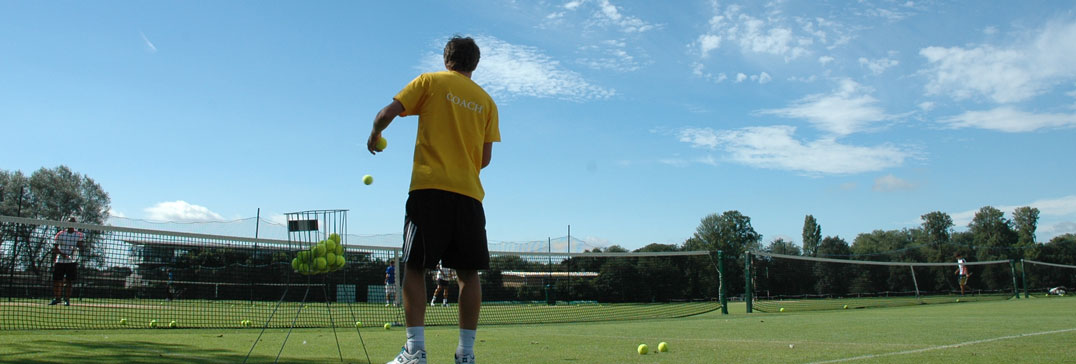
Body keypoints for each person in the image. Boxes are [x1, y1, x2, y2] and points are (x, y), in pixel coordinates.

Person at [368, 35, 499, 364]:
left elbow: (387, 113)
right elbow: (484, 159)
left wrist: (375, 133)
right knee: (469, 275)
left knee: (414, 267)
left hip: (429, 192)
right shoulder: (486, 102)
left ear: (446, 59)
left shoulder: (430, 81)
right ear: (475, 64)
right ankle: (465, 355)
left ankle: (415, 351)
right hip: (469, 196)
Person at [49, 217, 84, 306]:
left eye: (72, 222)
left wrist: (75, 250)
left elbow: (81, 246)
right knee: (57, 280)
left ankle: (67, 299)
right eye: (69, 222)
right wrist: (62, 254)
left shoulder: (79, 235)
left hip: (71, 262)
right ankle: (57, 298)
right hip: (60, 261)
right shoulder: (60, 234)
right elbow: (55, 247)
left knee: (69, 281)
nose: (70, 224)